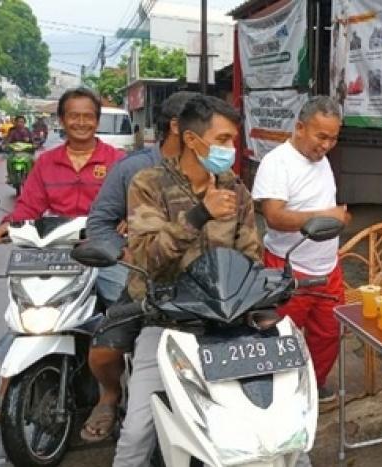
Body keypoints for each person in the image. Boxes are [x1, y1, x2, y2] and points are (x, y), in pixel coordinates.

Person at [113, 95, 261, 466]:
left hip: (225, 326)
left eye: (234, 140)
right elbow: (148, 259)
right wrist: (198, 215)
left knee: (266, 424)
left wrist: (265, 289)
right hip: (166, 323)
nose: (232, 148)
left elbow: (250, 256)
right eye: (224, 139)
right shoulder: (149, 184)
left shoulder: (236, 189)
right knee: (135, 436)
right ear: (193, 141)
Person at [0, 87, 124, 425]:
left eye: (88, 116)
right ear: (61, 120)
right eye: (73, 115)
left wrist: (128, 220)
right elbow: (29, 205)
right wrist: (7, 225)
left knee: (123, 312)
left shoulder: (116, 162)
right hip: (54, 253)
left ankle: (111, 394)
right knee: (27, 310)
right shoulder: (46, 163)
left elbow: (133, 201)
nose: (81, 122)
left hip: (103, 252)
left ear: (97, 121)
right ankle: (5, 388)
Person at [79, 91, 199, 443]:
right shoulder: (133, 168)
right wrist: (126, 253)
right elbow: (100, 223)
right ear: (178, 128)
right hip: (146, 281)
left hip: (201, 284)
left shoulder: (214, 173)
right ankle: (109, 396)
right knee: (103, 351)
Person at [252, 96, 350, 403]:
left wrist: (336, 220)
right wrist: (326, 217)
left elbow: (319, 207)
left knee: (329, 334)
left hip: (327, 268)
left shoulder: (322, 161)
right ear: (299, 127)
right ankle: (281, 395)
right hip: (288, 268)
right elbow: (275, 217)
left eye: (333, 138)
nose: (327, 145)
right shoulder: (277, 162)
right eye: (321, 136)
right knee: (281, 336)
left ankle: (314, 386)